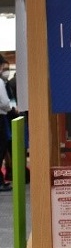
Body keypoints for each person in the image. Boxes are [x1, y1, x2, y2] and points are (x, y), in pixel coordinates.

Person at [0, 56, 16, 190]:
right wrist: (11, 109)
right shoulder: (0, 82)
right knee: (2, 148)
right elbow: (5, 102)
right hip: (2, 117)